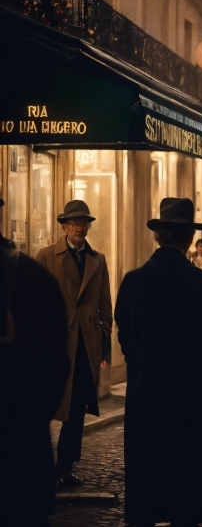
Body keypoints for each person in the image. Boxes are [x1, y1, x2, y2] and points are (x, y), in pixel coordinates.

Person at [115, 198, 202, 527]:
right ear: (186, 240)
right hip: (189, 391)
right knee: (187, 460)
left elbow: (124, 329)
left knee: (147, 458)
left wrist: (137, 358)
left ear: (157, 238)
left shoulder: (134, 281)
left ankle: (141, 525)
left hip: (146, 387)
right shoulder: (199, 283)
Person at [0, 198, 69, 527]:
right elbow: (57, 365)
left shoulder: (32, 275)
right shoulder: (34, 276)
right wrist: (30, 416)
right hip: (21, 444)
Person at [36, 200, 112, 488]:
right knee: (46, 404)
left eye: (84, 224)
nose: (80, 228)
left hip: (85, 345)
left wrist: (102, 333)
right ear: (64, 226)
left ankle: (64, 467)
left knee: (76, 407)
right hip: (54, 345)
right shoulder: (47, 256)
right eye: (75, 223)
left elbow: (105, 303)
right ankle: (41, 466)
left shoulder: (98, 259)